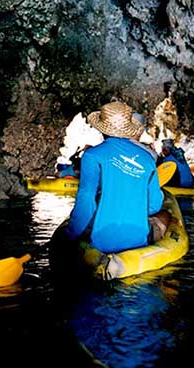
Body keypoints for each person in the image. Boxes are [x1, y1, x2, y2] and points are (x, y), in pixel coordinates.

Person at [62, 101, 170, 279]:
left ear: (102, 128)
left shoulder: (92, 155)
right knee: (164, 214)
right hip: (137, 243)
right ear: (129, 129)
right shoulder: (147, 159)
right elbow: (153, 206)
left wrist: (70, 235)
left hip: (103, 244)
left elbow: (86, 201)